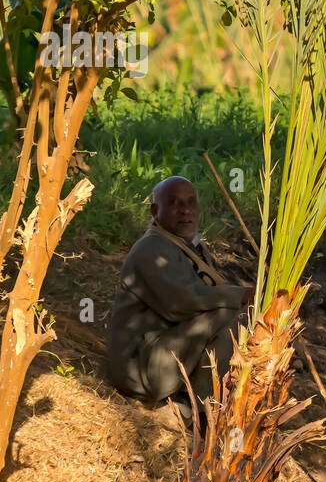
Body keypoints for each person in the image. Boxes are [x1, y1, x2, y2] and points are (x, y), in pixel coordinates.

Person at [106, 176, 250, 424]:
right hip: (142, 368)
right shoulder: (152, 249)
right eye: (173, 204)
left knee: (235, 315)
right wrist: (242, 295)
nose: (185, 211)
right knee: (234, 318)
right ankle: (201, 412)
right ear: (155, 211)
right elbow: (182, 304)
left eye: (191, 203)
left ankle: (209, 402)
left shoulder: (185, 245)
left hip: (163, 354)